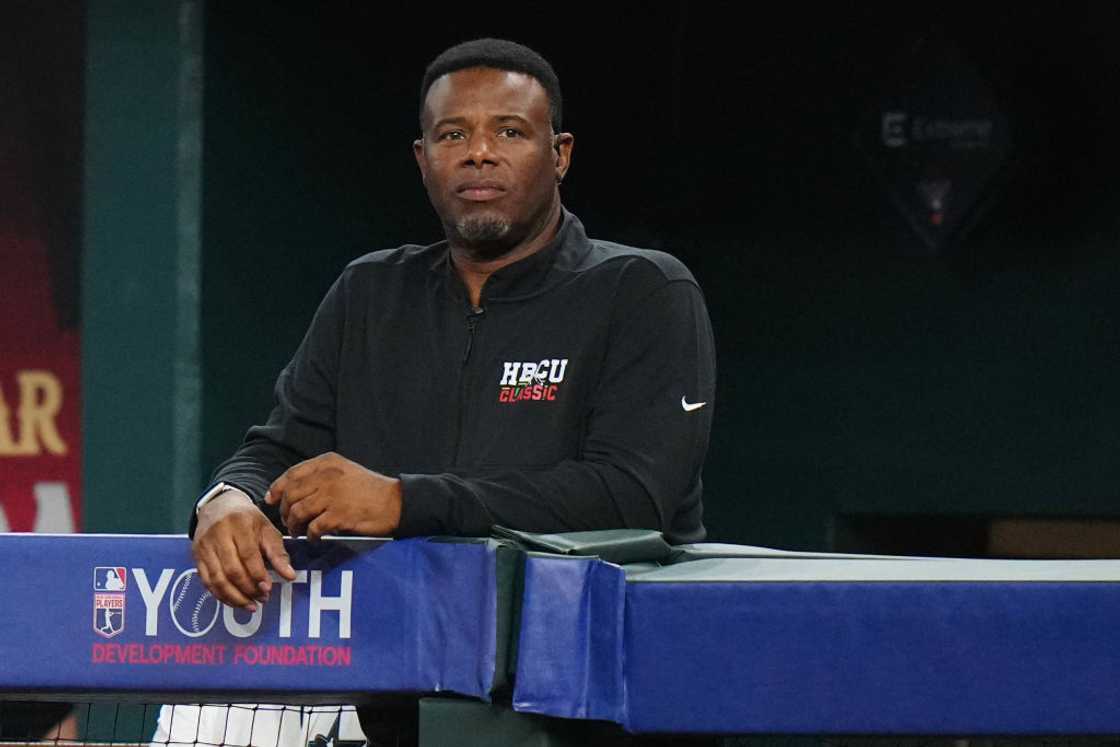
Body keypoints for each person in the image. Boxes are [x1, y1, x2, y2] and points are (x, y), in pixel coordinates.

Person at [190, 38, 716, 613]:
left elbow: (632, 495)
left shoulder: (642, 289)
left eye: (510, 132)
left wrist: (403, 501)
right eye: (453, 135)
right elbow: (284, 448)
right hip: (398, 655)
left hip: (585, 657)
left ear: (560, 154)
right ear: (423, 159)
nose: (479, 153)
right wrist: (228, 499)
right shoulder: (370, 291)